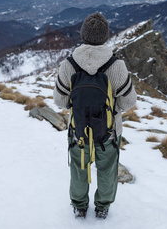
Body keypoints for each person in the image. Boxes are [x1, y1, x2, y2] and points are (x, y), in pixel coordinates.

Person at [53, 12, 137, 219]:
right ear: (105, 37)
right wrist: (111, 111)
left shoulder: (69, 65)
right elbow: (129, 101)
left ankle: (80, 206)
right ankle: (102, 207)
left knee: (79, 168)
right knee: (107, 169)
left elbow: (60, 101)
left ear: (83, 35)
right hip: (108, 131)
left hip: (78, 129)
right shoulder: (116, 66)